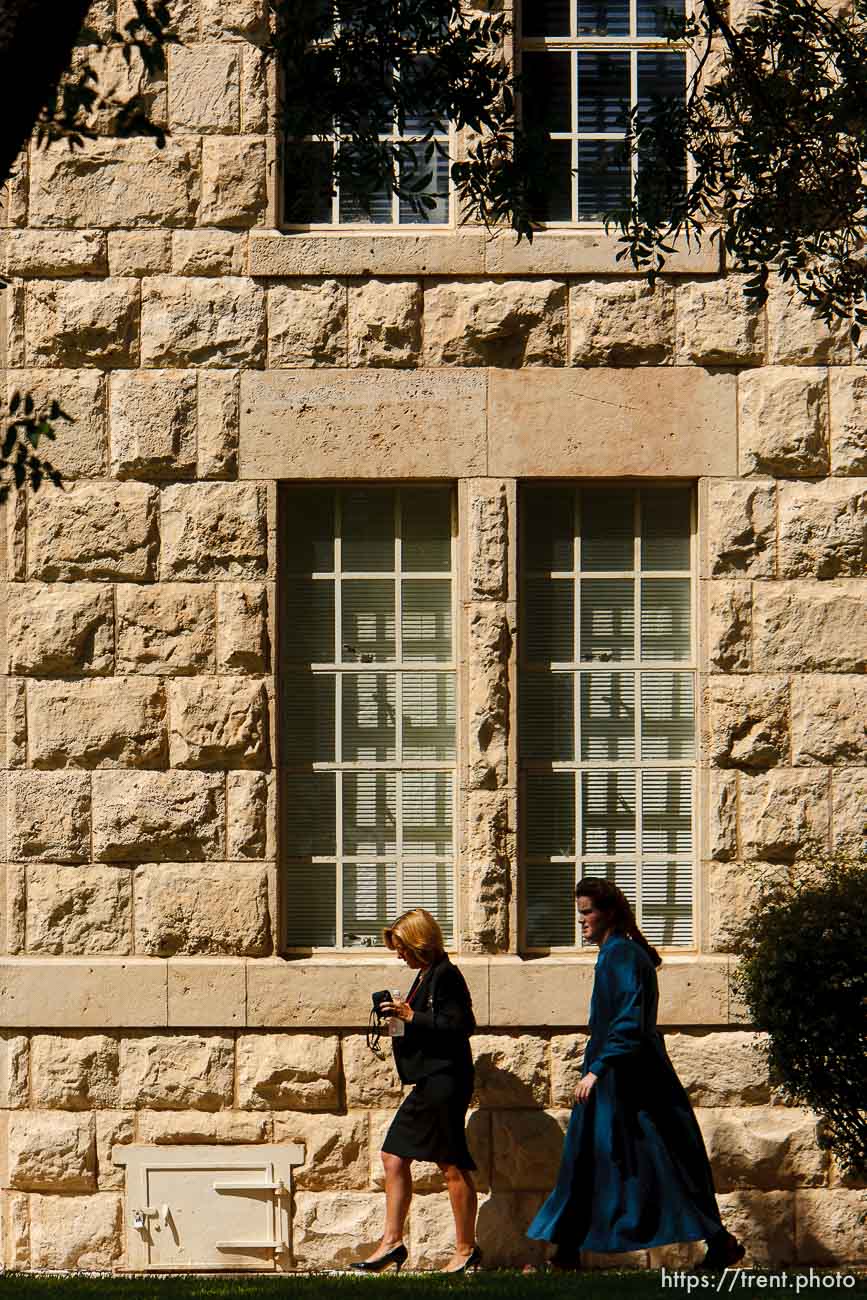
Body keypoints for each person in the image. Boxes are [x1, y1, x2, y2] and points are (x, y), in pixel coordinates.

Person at [527, 878, 745, 1273]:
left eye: (587, 912)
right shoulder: (617, 953)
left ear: (609, 912)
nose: (582, 922)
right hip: (620, 1076)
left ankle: (719, 1242)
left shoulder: (622, 956)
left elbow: (630, 1020)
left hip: (627, 1080)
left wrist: (598, 1069)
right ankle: (566, 1251)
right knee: (595, 1161)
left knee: (651, 1162)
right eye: (580, 913)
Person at [351, 907, 481, 1275]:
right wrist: (401, 1018)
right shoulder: (426, 974)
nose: (399, 955)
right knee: (394, 1156)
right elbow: (429, 1022)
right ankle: (392, 1243)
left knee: (451, 1164)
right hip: (430, 1080)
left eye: (403, 948)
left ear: (420, 944)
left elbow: (461, 1026)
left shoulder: (447, 976)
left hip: (444, 1081)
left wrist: (411, 1017)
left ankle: (465, 1249)